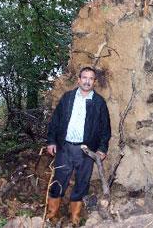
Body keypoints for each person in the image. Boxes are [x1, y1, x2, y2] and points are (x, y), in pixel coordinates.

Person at [46, 66, 111, 226]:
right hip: (65, 147)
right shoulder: (68, 98)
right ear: (79, 79)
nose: (87, 81)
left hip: (86, 150)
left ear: (94, 82)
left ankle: (75, 216)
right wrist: (51, 141)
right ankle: (51, 214)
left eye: (91, 78)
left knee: (82, 182)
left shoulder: (99, 102)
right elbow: (55, 121)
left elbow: (105, 128)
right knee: (59, 180)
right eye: (84, 77)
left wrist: (102, 148)